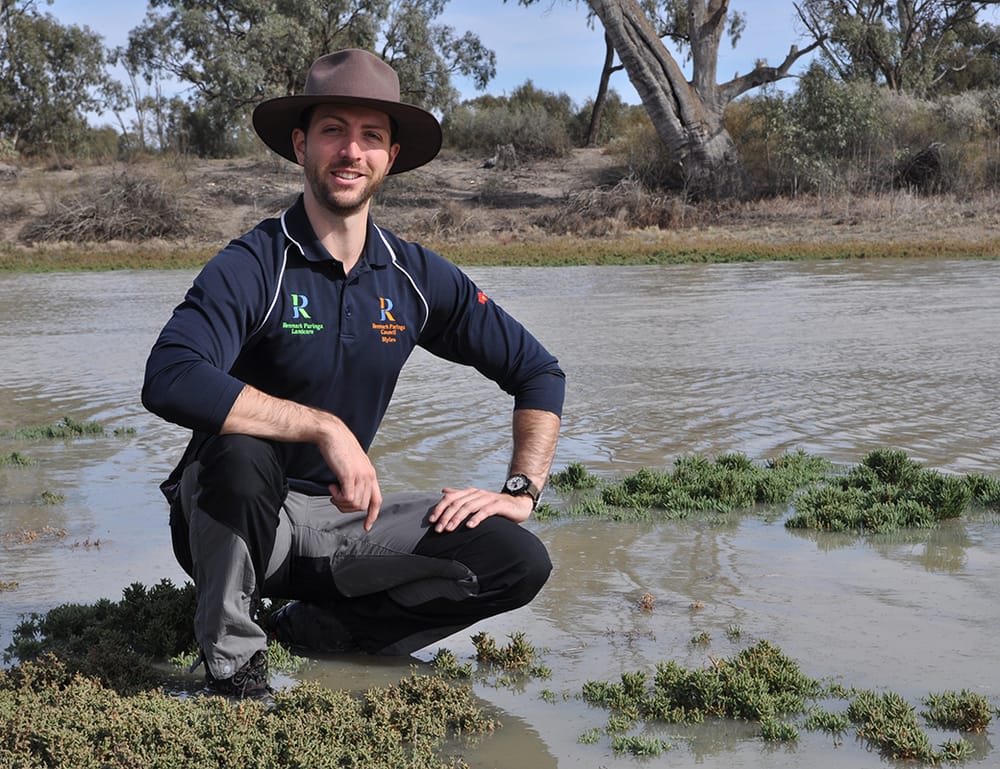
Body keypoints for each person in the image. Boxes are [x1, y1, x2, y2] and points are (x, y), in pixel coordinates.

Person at [141, 48, 565, 699]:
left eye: (371, 136)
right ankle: (233, 670)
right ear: (301, 143)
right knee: (244, 450)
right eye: (334, 129)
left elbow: (537, 371)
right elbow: (170, 375)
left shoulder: (415, 277)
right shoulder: (256, 263)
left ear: (390, 157)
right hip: (233, 514)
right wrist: (322, 427)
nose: (351, 150)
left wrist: (521, 489)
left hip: (341, 525)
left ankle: (327, 631)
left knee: (516, 558)